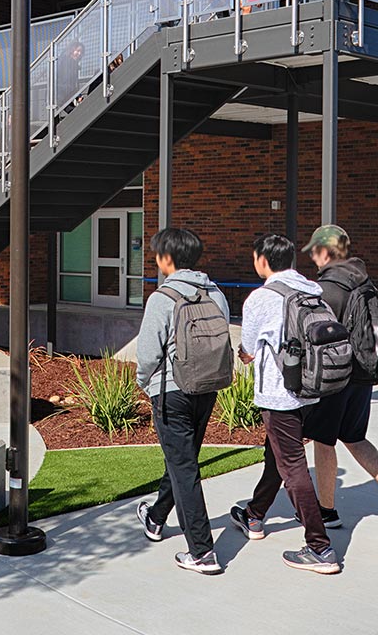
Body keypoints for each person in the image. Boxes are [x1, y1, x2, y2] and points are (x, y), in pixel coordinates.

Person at [230, 233, 340, 574]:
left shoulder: (260, 298)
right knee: (275, 455)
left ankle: (319, 547)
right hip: (313, 389)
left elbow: (247, 348)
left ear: (263, 260)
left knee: (292, 466)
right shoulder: (314, 292)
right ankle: (255, 514)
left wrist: (246, 355)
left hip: (280, 394)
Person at [302, 225, 378, 534]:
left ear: (327, 251)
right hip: (363, 373)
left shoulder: (328, 288)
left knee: (324, 441)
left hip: (336, 376)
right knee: (354, 436)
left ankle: (326, 511)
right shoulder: (364, 281)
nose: (312, 256)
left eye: (314, 250)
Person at [134, 226, 232, 575]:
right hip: (207, 387)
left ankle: (202, 552)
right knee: (183, 460)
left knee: (185, 466)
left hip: (171, 391)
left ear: (166, 258)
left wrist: (143, 383)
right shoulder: (216, 293)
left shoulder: (163, 298)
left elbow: (147, 353)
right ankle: (157, 517)